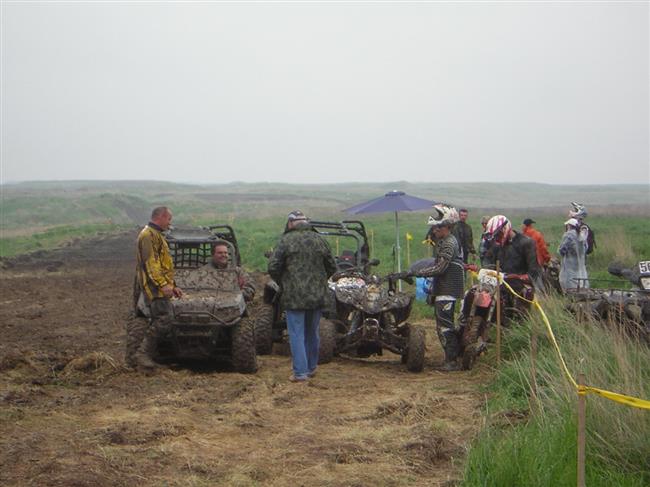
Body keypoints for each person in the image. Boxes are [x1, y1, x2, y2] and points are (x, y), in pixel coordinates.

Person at [268, 210, 337, 382]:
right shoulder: (320, 240)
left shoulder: (286, 240)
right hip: (318, 295)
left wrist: (283, 282)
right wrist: (319, 281)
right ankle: (312, 367)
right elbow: (332, 267)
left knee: (296, 334)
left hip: (294, 295)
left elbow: (273, 267)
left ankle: (300, 373)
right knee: (312, 332)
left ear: (291, 223)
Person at [409, 204, 465, 371]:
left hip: (448, 289)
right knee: (443, 323)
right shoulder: (446, 241)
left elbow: (440, 267)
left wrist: (418, 273)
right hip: (444, 288)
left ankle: (452, 361)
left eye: (437, 227)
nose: (434, 231)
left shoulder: (449, 243)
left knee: (445, 325)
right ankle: (452, 358)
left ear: (446, 227)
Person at [130, 206, 183, 370]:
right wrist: (163, 284)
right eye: (169, 219)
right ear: (160, 217)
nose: (170, 223)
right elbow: (151, 264)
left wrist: (172, 286)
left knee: (163, 319)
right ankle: (142, 354)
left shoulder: (156, 235)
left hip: (159, 285)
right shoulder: (147, 236)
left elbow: (163, 264)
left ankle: (143, 358)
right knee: (164, 319)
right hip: (153, 287)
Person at [483, 215, 544, 293]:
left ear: (505, 228)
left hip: (522, 289)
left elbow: (534, 272)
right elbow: (487, 260)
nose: (497, 239)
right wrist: (488, 272)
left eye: (498, 235)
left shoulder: (526, 243)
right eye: (495, 237)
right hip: (500, 287)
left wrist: (517, 277)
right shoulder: (497, 246)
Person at [558, 218, 589, 291]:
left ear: (569, 225)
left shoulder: (568, 235)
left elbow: (561, 249)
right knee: (580, 278)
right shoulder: (581, 234)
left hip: (570, 262)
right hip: (580, 263)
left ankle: (571, 294)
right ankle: (582, 291)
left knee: (570, 279)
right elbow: (586, 247)